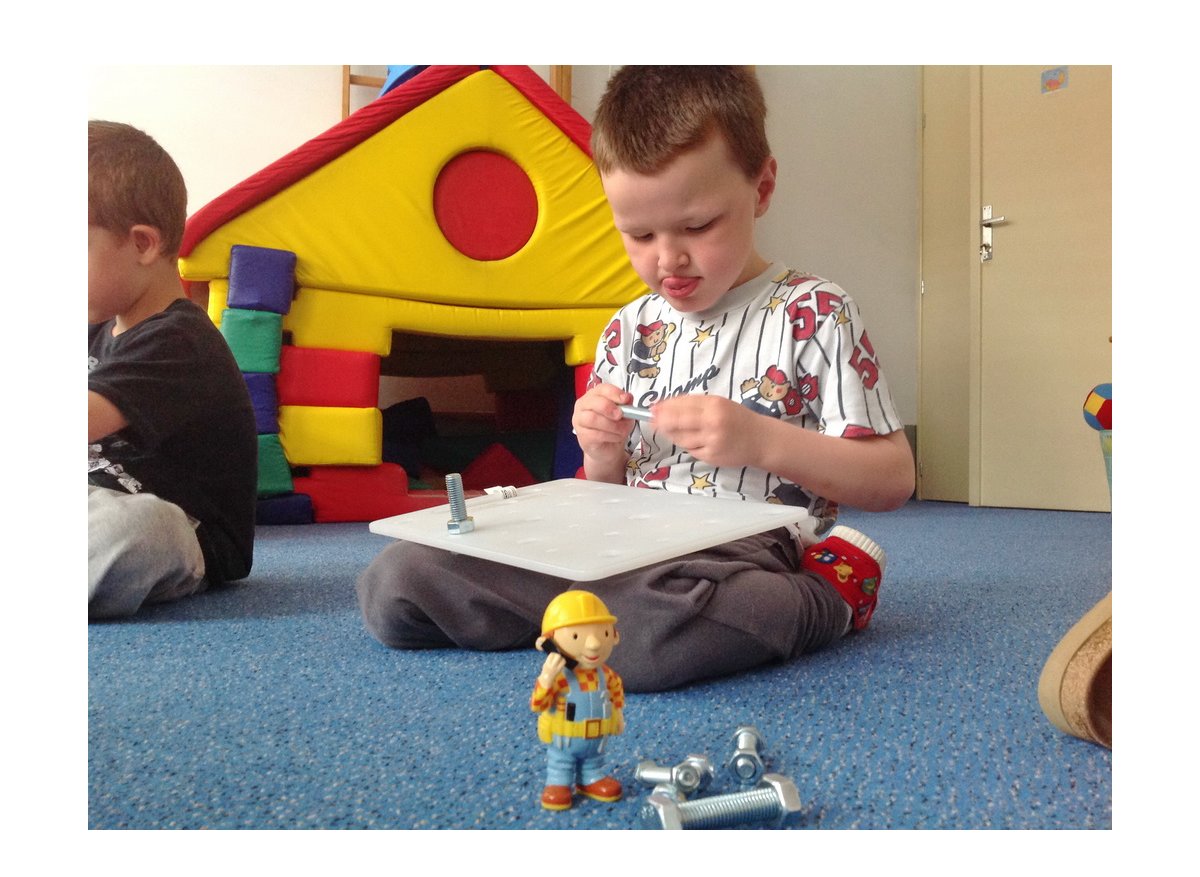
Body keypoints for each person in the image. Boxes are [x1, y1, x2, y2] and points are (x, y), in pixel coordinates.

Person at [357, 66, 915, 691]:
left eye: (698, 227)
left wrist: (762, 441)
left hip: (740, 548)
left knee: (645, 634)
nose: (667, 258)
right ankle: (589, 616)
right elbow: (606, 492)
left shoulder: (814, 312)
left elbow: (892, 479)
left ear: (761, 188)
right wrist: (602, 452)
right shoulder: (629, 328)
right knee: (396, 586)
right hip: (617, 545)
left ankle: (830, 595)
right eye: (639, 234)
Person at [88, 120, 257, 619]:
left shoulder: (181, 340)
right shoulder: (93, 325)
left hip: (185, 530)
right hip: (92, 504)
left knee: (139, 529)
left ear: (143, 244)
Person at [531, 590, 625, 810]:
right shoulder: (559, 677)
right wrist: (546, 678)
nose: (593, 644)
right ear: (547, 643)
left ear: (614, 635)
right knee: (561, 761)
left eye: (603, 633)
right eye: (576, 636)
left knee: (594, 759)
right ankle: (558, 782)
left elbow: (616, 693)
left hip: (597, 737)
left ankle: (591, 778)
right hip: (565, 737)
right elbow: (538, 704)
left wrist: (618, 714)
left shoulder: (606, 675)